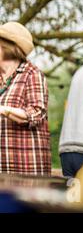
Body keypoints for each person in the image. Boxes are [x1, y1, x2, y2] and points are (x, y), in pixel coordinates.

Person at [0, 22, 51, 175]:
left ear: (7, 48)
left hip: (25, 166)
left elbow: (36, 114)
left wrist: (3, 110)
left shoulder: (32, 74)